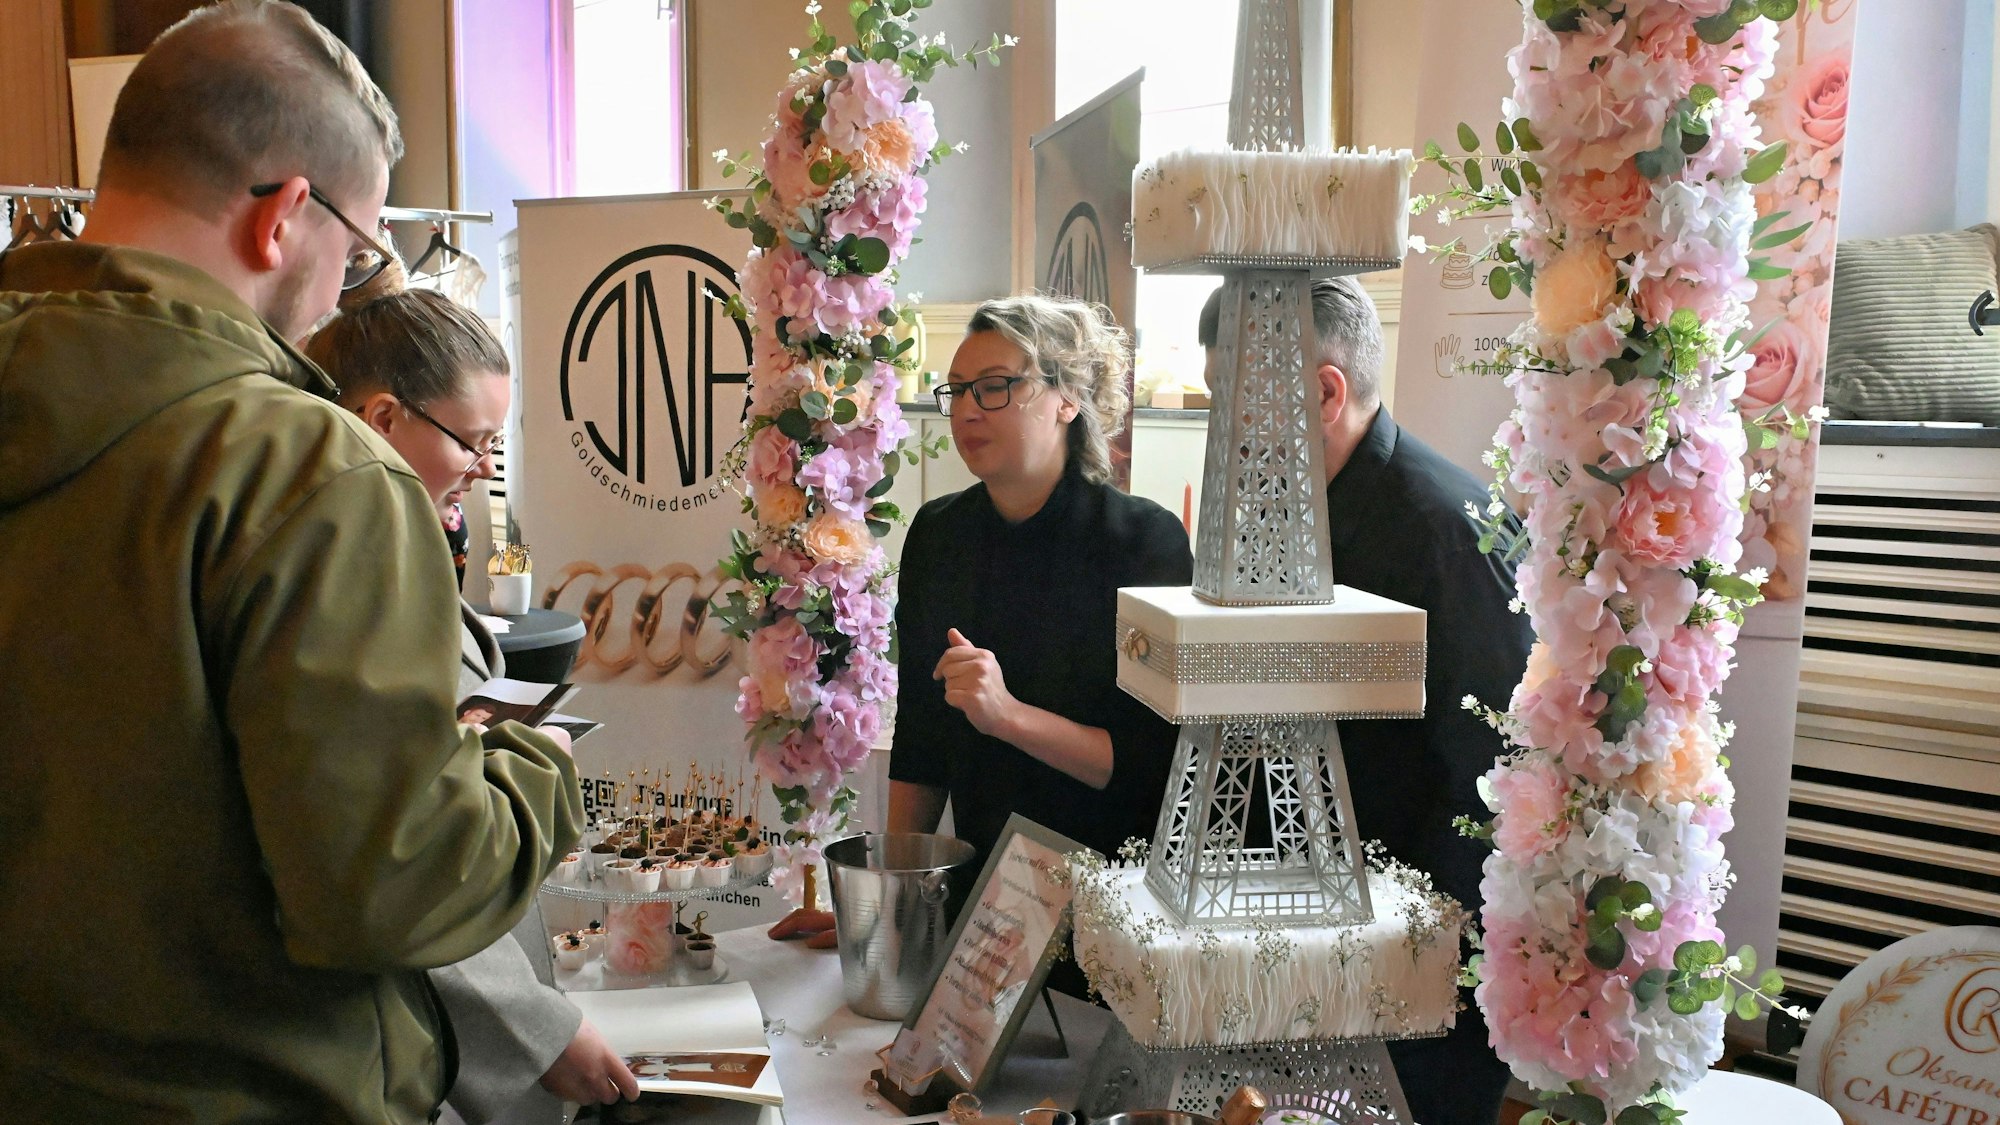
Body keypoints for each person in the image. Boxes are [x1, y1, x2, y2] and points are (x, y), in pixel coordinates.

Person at [0, 4, 583, 1121]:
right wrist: (537, 774)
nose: (345, 291)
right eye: (362, 251)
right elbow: (390, 889)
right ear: (284, 216)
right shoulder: (307, 467)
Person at [1200, 277, 1534, 1125]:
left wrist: (1396, 959)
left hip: (1416, 966)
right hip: (1315, 941)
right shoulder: (1287, 517)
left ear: (1321, 393)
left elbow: (1494, 782)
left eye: (1229, 400)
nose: (1219, 434)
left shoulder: (1445, 528)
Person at [307, 287, 640, 1123]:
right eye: (473, 440)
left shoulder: (389, 540)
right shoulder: (346, 584)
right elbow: (397, 855)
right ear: (382, 419)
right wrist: (538, 1029)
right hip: (417, 1038)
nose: (486, 466)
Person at [888, 294, 1193, 877]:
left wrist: (1006, 714)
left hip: (1113, 889)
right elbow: (921, 740)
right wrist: (894, 894)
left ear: (1068, 398)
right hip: (979, 894)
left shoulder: (1143, 542)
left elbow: (1152, 764)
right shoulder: (938, 533)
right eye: (957, 390)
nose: (968, 411)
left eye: (996, 385)